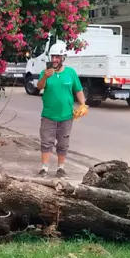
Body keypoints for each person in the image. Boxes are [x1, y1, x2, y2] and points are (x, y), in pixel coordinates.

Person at [36, 42, 88, 178]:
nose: (54, 60)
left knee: (63, 143)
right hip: (48, 115)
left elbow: (78, 90)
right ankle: (44, 168)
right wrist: (45, 77)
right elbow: (39, 87)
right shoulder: (45, 72)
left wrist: (83, 104)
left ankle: (61, 168)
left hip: (66, 116)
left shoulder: (70, 73)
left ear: (63, 57)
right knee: (46, 142)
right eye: (52, 56)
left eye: (57, 57)